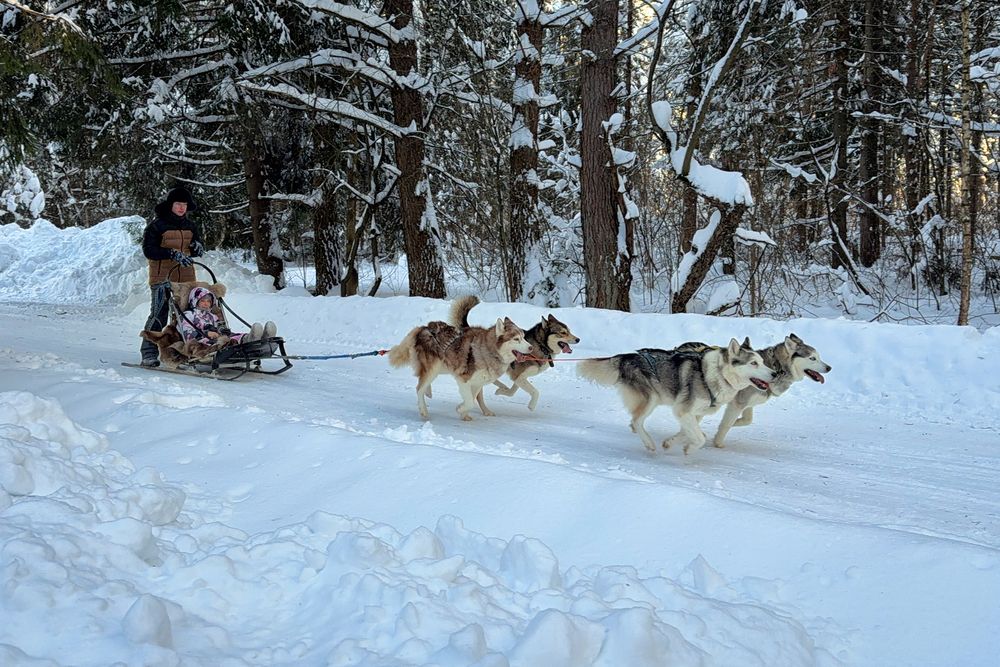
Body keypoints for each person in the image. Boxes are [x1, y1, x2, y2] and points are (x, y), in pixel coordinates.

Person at [139, 186, 205, 366]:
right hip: (162, 277)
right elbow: (149, 250)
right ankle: (148, 353)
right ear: (170, 205)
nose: (181, 208)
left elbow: (194, 246)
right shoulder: (157, 225)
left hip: (185, 277)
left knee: (184, 316)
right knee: (159, 314)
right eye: (178, 204)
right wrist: (171, 253)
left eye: (184, 204)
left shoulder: (190, 226)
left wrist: (197, 247)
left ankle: (179, 352)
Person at [178, 287, 276, 346]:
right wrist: (207, 333)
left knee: (233, 336)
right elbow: (186, 332)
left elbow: (219, 326)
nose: (206, 304)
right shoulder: (188, 314)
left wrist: (222, 330)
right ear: (195, 300)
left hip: (218, 337)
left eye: (209, 301)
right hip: (200, 341)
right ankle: (246, 344)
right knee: (223, 342)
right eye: (202, 301)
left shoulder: (212, 316)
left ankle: (256, 339)